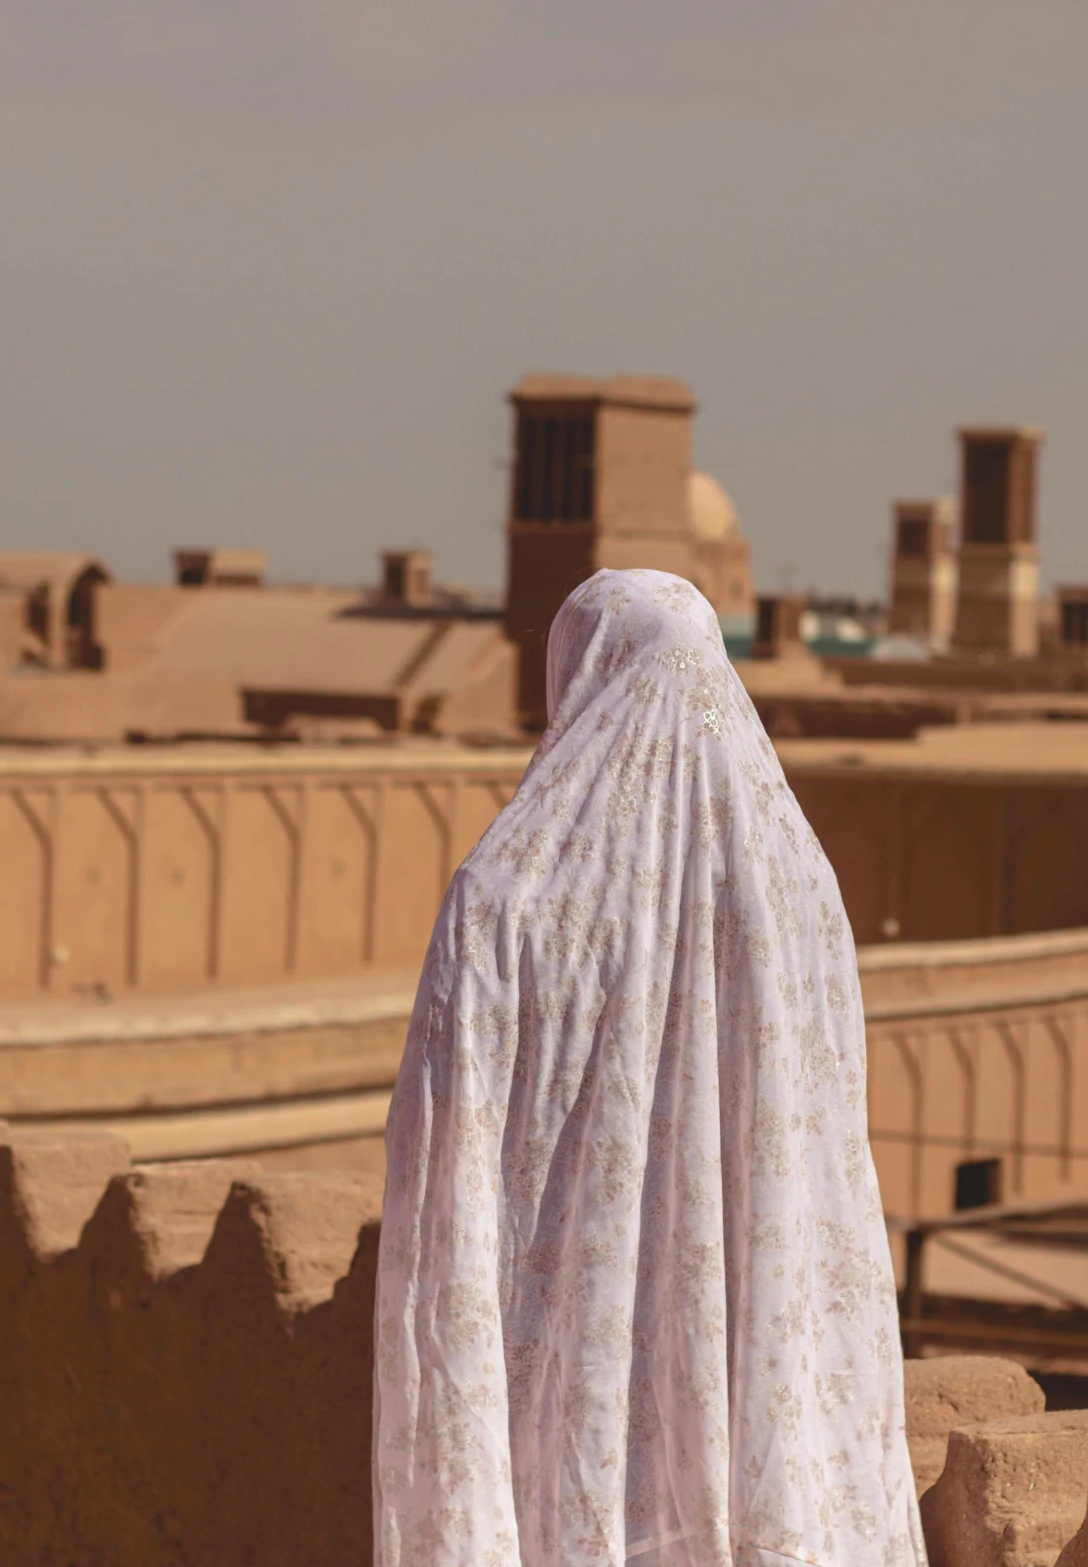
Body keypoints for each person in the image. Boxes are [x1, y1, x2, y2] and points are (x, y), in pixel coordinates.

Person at [374, 569, 924, 1567]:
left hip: (566, 1412)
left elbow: (440, 1184)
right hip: (761, 1399)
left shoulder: (507, 898)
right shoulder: (800, 894)